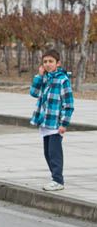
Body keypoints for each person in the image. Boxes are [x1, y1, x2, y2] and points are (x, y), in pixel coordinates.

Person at [29, 47, 74, 192]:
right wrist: (39, 76)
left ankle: (58, 180)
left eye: (51, 61)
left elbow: (68, 105)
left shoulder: (63, 80)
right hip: (45, 122)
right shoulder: (45, 78)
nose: (48, 64)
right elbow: (34, 93)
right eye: (45, 62)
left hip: (55, 123)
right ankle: (54, 178)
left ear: (58, 63)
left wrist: (64, 123)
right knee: (47, 153)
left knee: (55, 153)